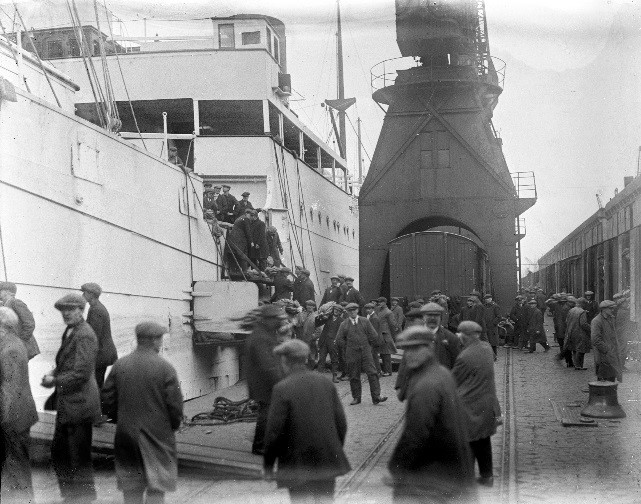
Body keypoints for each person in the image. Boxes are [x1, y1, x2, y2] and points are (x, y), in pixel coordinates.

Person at [388, 326, 477, 504]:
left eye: (416, 349)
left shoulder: (426, 384)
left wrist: (395, 467)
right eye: (406, 350)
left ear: (429, 348)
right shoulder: (441, 373)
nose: (410, 355)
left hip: (433, 474)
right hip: (453, 469)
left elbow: (415, 433)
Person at [101, 321, 184, 504]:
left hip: (126, 434)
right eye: (160, 339)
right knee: (156, 486)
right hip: (157, 436)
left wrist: (120, 419)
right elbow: (175, 407)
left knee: (131, 487)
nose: (161, 343)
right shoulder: (165, 368)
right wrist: (173, 426)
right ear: (155, 340)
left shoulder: (120, 365)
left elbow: (106, 401)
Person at [263, 339, 350, 504]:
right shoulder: (325, 383)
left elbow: (274, 432)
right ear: (305, 359)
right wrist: (333, 450)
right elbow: (341, 424)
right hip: (327, 460)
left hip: (297, 463)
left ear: (285, 361)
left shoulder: (282, 388)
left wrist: (268, 466)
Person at [42, 293, 101, 503]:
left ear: (80, 310)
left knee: (76, 456)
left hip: (79, 404)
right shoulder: (72, 331)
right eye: (63, 310)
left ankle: (82, 498)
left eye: (70, 309)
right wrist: (55, 372)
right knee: (62, 453)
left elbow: (81, 373)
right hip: (70, 403)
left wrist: (54, 380)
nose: (66, 314)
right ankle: (73, 497)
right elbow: (69, 364)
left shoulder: (84, 334)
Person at [452, 321, 501, 488]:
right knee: (482, 440)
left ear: (466, 336)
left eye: (460, 334)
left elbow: (454, 380)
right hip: (486, 403)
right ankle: (487, 476)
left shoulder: (465, 357)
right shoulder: (486, 348)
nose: (458, 336)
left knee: (467, 441)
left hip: (469, 405)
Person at [0, 307, 38, 503]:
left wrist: (4, 421)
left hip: (13, 418)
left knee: (17, 469)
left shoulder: (10, 349)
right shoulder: (10, 344)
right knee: (15, 468)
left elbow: (10, 389)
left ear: (3, 326)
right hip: (16, 416)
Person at [394, 302, 461, 401]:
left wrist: (454, 387)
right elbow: (405, 362)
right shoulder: (414, 336)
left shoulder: (450, 338)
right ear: (423, 317)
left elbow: (457, 364)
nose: (432, 318)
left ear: (440, 317)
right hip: (418, 386)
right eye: (429, 315)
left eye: (436, 315)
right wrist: (399, 385)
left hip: (442, 388)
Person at [245, 304, 287, 455]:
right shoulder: (261, 337)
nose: (279, 322)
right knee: (266, 413)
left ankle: (265, 443)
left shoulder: (266, 333)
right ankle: (259, 445)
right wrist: (281, 382)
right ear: (268, 320)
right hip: (263, 382)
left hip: (265, 381)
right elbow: (267, 365)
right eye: (276, 319)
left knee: (269, 412)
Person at [336, 303, 386, 405]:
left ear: (357, 310)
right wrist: (348, 347)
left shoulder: (365, 321)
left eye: (354, 310)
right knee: (354, 375)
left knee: (372, 373)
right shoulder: (344, 324)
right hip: (352, 353)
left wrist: (369, 346)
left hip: (366, 351)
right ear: (347, 312)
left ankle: (376, 396)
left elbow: (374, 335)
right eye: (350, 311)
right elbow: (339, 339)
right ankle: (356, 398)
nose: (352, 312)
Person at [81, 282, 118, 390]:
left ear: (91, 294)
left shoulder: (96, 309)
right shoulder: (96, 307)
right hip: (102, 353)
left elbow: (93, 334)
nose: (83, 295)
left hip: (100, 354)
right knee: (97, 384)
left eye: (85, 293)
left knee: (96, 386)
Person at [0, 282, 39, 359]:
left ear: (8, 292)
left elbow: (29, 324)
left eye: (0, 291)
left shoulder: (16, 303)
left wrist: (20, 341)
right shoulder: (4, 304)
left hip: (20, 347)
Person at [591, 300, 621, 382]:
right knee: (603, 381)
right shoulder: (597, 321)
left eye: (613, 308)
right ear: (604, 309)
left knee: (612, 379)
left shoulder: (611, 319)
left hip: (612, 355)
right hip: (603, 356)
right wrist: (607, 350)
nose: (612, 310)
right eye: (610, 308)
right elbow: (595, 339)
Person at [315, 304, 343, 383]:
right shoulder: (327, 317)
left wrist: (336, 340)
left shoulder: (341, 321)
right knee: (321, 359)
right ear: (333, 310)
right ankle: (319, 377)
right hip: (324, 341)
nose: (336, 312)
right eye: (335, 310)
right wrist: (319, 317)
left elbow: (341, 333)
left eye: (338, 311)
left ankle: (334, 376)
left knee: (334, 359)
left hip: (333, 343)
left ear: (340, 312)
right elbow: (317, 324)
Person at [563, 297, 591, 370]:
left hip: (571, 331)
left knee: (574, 349)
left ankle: (576, 364)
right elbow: (583, 324)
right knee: (581, 349)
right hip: (580, 333)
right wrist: (591, 328)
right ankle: (579, 365)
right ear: (583, 304)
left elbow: (566, 321)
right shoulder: (582, 312)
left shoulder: (571, 310)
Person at [225, 209, 254, 273]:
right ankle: (245, 272)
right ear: (247, 214)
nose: (251, 217)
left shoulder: (239, 218)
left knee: (234, 256)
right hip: (240, 240)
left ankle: (234, 272)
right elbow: (247, 231)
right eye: (251, 215)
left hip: (233, 240)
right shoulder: (246, 219)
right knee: (243, 256)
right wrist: (251, 242)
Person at [375, 297, 398, 376]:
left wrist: (392, 336)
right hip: (380, 334)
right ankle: (385, 370)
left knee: (386, 354)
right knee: (382, 353)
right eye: (379, 302)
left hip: (385, 334)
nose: (379, 303)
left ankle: (388, 371)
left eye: (381, 302)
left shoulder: (388, 312)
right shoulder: (379, 310)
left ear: (385, 302)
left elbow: (392, 325)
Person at [364, 302, 383, 375]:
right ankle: (377, 371)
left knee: (374, 357)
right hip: (372, 340)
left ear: (373, 309)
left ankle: (378, 371)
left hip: (374, 341)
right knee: (373, 356)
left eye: (369, 309)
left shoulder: (374, 318)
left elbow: (374, 331)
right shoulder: (369, 316)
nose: (367, 310)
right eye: (366, 309)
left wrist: (370, 341)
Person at [482, 294, 501, 359]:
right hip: (485, 327)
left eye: (487, 299)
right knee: (486, 342)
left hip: (492, 327)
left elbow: (499, 317)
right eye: (485, 299)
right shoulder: (484, 306)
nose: (486, 300)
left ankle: (494, 356)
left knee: (493, 342)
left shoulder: (495, 306)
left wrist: (493, 323)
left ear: (491, 299)